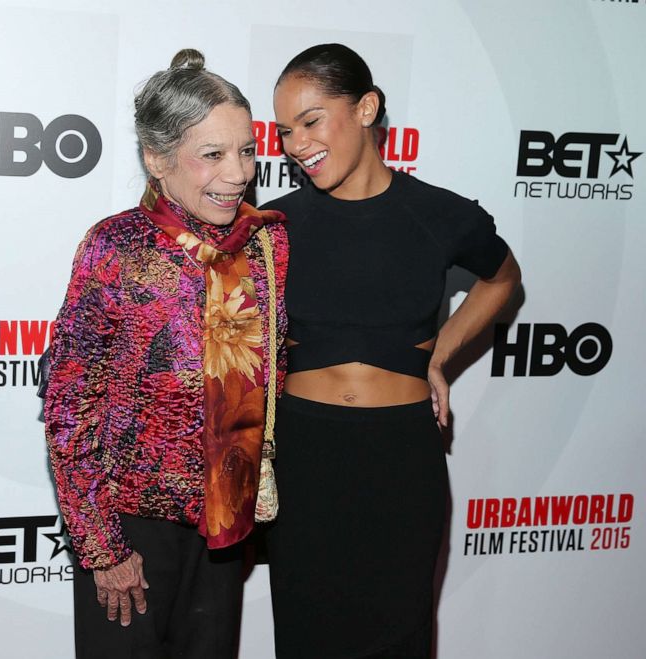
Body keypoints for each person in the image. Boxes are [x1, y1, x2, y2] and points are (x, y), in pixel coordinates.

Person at [261, 43, 522, 658]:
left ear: (367, 107)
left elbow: (504, 278)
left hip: (401, 457)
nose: (296, 144)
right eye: (283, 132)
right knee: (306, 632)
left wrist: (440, 357)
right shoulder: (274, 224)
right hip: (306, 455)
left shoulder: (439, 214)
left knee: (399, 632)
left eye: (312, 120)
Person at [43, 48, 288, 658]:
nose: (237, 173)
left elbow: (273, 374)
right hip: (131, 533)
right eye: (212, 155)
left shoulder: (266, 243)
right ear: (156, 159)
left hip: (225, 525)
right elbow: (69, 403)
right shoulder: (115, 246)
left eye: (246, 150)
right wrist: (102, 549)